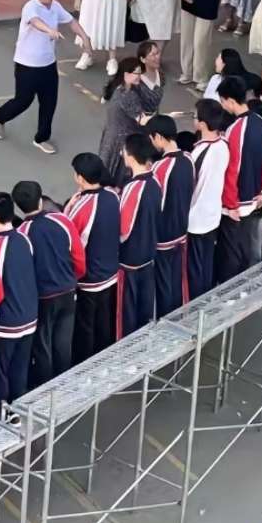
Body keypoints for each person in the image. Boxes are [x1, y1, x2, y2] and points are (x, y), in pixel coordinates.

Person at [0, 0, 87, 156]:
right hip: (27, 65)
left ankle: (41, 138)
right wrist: (50, 30)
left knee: (49, 102)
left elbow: (71, 21)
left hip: (48, 64)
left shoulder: (55, 6)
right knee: (23, 101)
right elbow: (35, 22)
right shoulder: (30, 7)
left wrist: (84, 37)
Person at [13, 181, 85, 382]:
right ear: (40, 200)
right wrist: (74, 278)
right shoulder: (61, 220)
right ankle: (64, 382)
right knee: (63, 341)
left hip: (43, 297)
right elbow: (78, 255)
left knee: (43, 345)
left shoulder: (21, 234)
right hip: (68, 289)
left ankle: (46, 387)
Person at [0, 192, 40, 404]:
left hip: (6, 322)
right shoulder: (24, 238)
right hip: (29, 317)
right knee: (19, 369)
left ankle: (1, 412)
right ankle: (18, 408)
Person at [64, 154, 122, 357]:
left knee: (86, 326)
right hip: (110, 271)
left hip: (89, 277)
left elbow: (69, 239)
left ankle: (86, 362)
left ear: (80, 178)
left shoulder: (82, 206)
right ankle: (106, 356)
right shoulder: (112, 196)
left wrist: (69, 208)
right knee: (104, 320)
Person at [214, 74, 262, 280]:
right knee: (247, 248)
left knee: (230, 253)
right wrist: (261, 190)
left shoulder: (235, 129)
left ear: (229, 100)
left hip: (237, 201)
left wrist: (230, 204)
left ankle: (229, 290)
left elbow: (232, 170)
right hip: (253, 196)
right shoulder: (259, 122)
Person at [148, 116, 195, 312]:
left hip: (164, 235)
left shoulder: (159, 167)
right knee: (177, 278)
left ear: (159, 137)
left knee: (164, 283)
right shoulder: (189, 159)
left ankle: (167, 320)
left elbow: (155, 205)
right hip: (182, 228)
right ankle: (179, 313)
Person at [96, 48, 164, 183]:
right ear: (126, 74)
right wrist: (163, 118)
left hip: (112, 136)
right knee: (120, 176)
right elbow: (142, 120)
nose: (139, 76)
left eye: (140, 73)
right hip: (123, 141)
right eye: (136, 73)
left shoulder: (121, 88)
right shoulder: (127, 95)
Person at [117, 132, 162, 333]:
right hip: (148, 252)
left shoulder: (133, 187)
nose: (122, 154)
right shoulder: (155, 181)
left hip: (130, 259)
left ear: (132, 156)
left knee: (127, 311)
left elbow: (123, 229)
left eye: (124, 151)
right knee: (145, 307)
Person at [187, 103, 229, 297]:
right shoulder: (224, 145)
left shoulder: (198, 153)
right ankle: (207, 298)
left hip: (196, 219)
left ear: (202, 124)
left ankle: (197, 305)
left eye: (195, 117)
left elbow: (190, 186)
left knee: (194, 269)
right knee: (206, 262)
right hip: (213, 215)